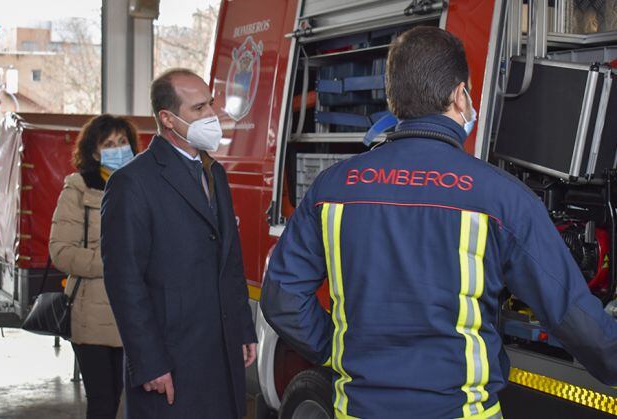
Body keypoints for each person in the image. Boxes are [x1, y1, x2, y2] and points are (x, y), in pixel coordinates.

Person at [260, 26, 617, 419]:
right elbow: (571, 314)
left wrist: (335, 347)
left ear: (394, 100)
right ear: (459, 95)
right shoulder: (501, 196)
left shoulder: (332, 188)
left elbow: (282, 299)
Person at [101, 68, 257, 419]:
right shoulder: (132, 183)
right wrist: (149, 363)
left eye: (211, 105)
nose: (212, 116)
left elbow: (229, 259)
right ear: (168, 119)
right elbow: (125, 282)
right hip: (171, 360)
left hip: (220, 350)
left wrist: (243, 327)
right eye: (199, 109)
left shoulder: (214, 173)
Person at [49, 114, 139, 419]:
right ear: (95, 152)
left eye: (123, 141)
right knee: (104, 402)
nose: (118, 148)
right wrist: (113, 264)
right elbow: (61, 252)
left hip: (136, 313)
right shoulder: (78, 190)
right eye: (108, 144)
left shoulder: (142, 187)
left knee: (137, 402)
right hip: (92, 314)